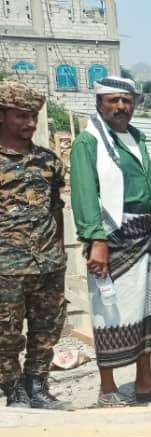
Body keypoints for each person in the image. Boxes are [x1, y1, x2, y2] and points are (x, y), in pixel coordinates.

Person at [70, 76, 151, 407]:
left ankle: (145, 381)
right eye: (114, 100)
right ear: (99, 103)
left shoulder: (136, 137)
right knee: (109, 312)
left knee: (146, 310)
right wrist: (96, 239)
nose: (121, 106)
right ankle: (107, 389)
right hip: (113, 238)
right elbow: (84, 194)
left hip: (145, 238)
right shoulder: (88, 143)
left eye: (127, 100)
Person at [0, 82, 69, 409]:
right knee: (5, 334)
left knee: (47, 330)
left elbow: (55, 208)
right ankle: (13, 389)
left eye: (34, 117)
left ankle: (38, 385)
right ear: (2, 116)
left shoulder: (48, 161)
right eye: (21, 116)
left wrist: (59, 253)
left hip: (48, 263)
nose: (30, 123)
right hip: (5, 267)